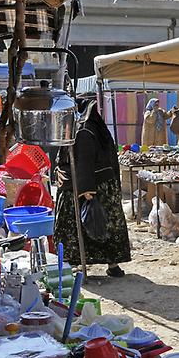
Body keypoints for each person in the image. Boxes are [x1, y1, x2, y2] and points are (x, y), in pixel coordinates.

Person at [55, 99, 131, 278]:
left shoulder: (84, 131)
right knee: (101, 225)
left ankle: (78, 263)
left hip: (89, 186)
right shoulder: (87, 128)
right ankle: (111, 265)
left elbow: (85, 161)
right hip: (93, 184)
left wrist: (86, 190)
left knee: (94, 224)